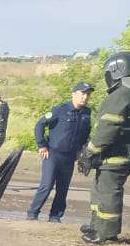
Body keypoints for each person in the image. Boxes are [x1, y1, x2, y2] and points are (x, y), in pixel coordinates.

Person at [77, 51, 130, 244]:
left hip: (114, 155)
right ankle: (97, 225)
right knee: (100, 188)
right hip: (128, 153)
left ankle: (106, 233)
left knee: (110, 190)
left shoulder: (121, 95)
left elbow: (107, 128)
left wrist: (90, 152)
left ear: (115, 71)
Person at [26, 82, 93, 222]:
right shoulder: (60, 110)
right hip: (53, 154)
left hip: (70, 156)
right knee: (47, 185)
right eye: (82, 93)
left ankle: (55, 216)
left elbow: (85, 134)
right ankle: (33, 213)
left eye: (88, 94)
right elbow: (40, 124)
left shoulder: (87, 112)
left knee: (63, 189)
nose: (85, 97)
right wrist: (41, 145)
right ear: (74, 94)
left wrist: (82, 152)